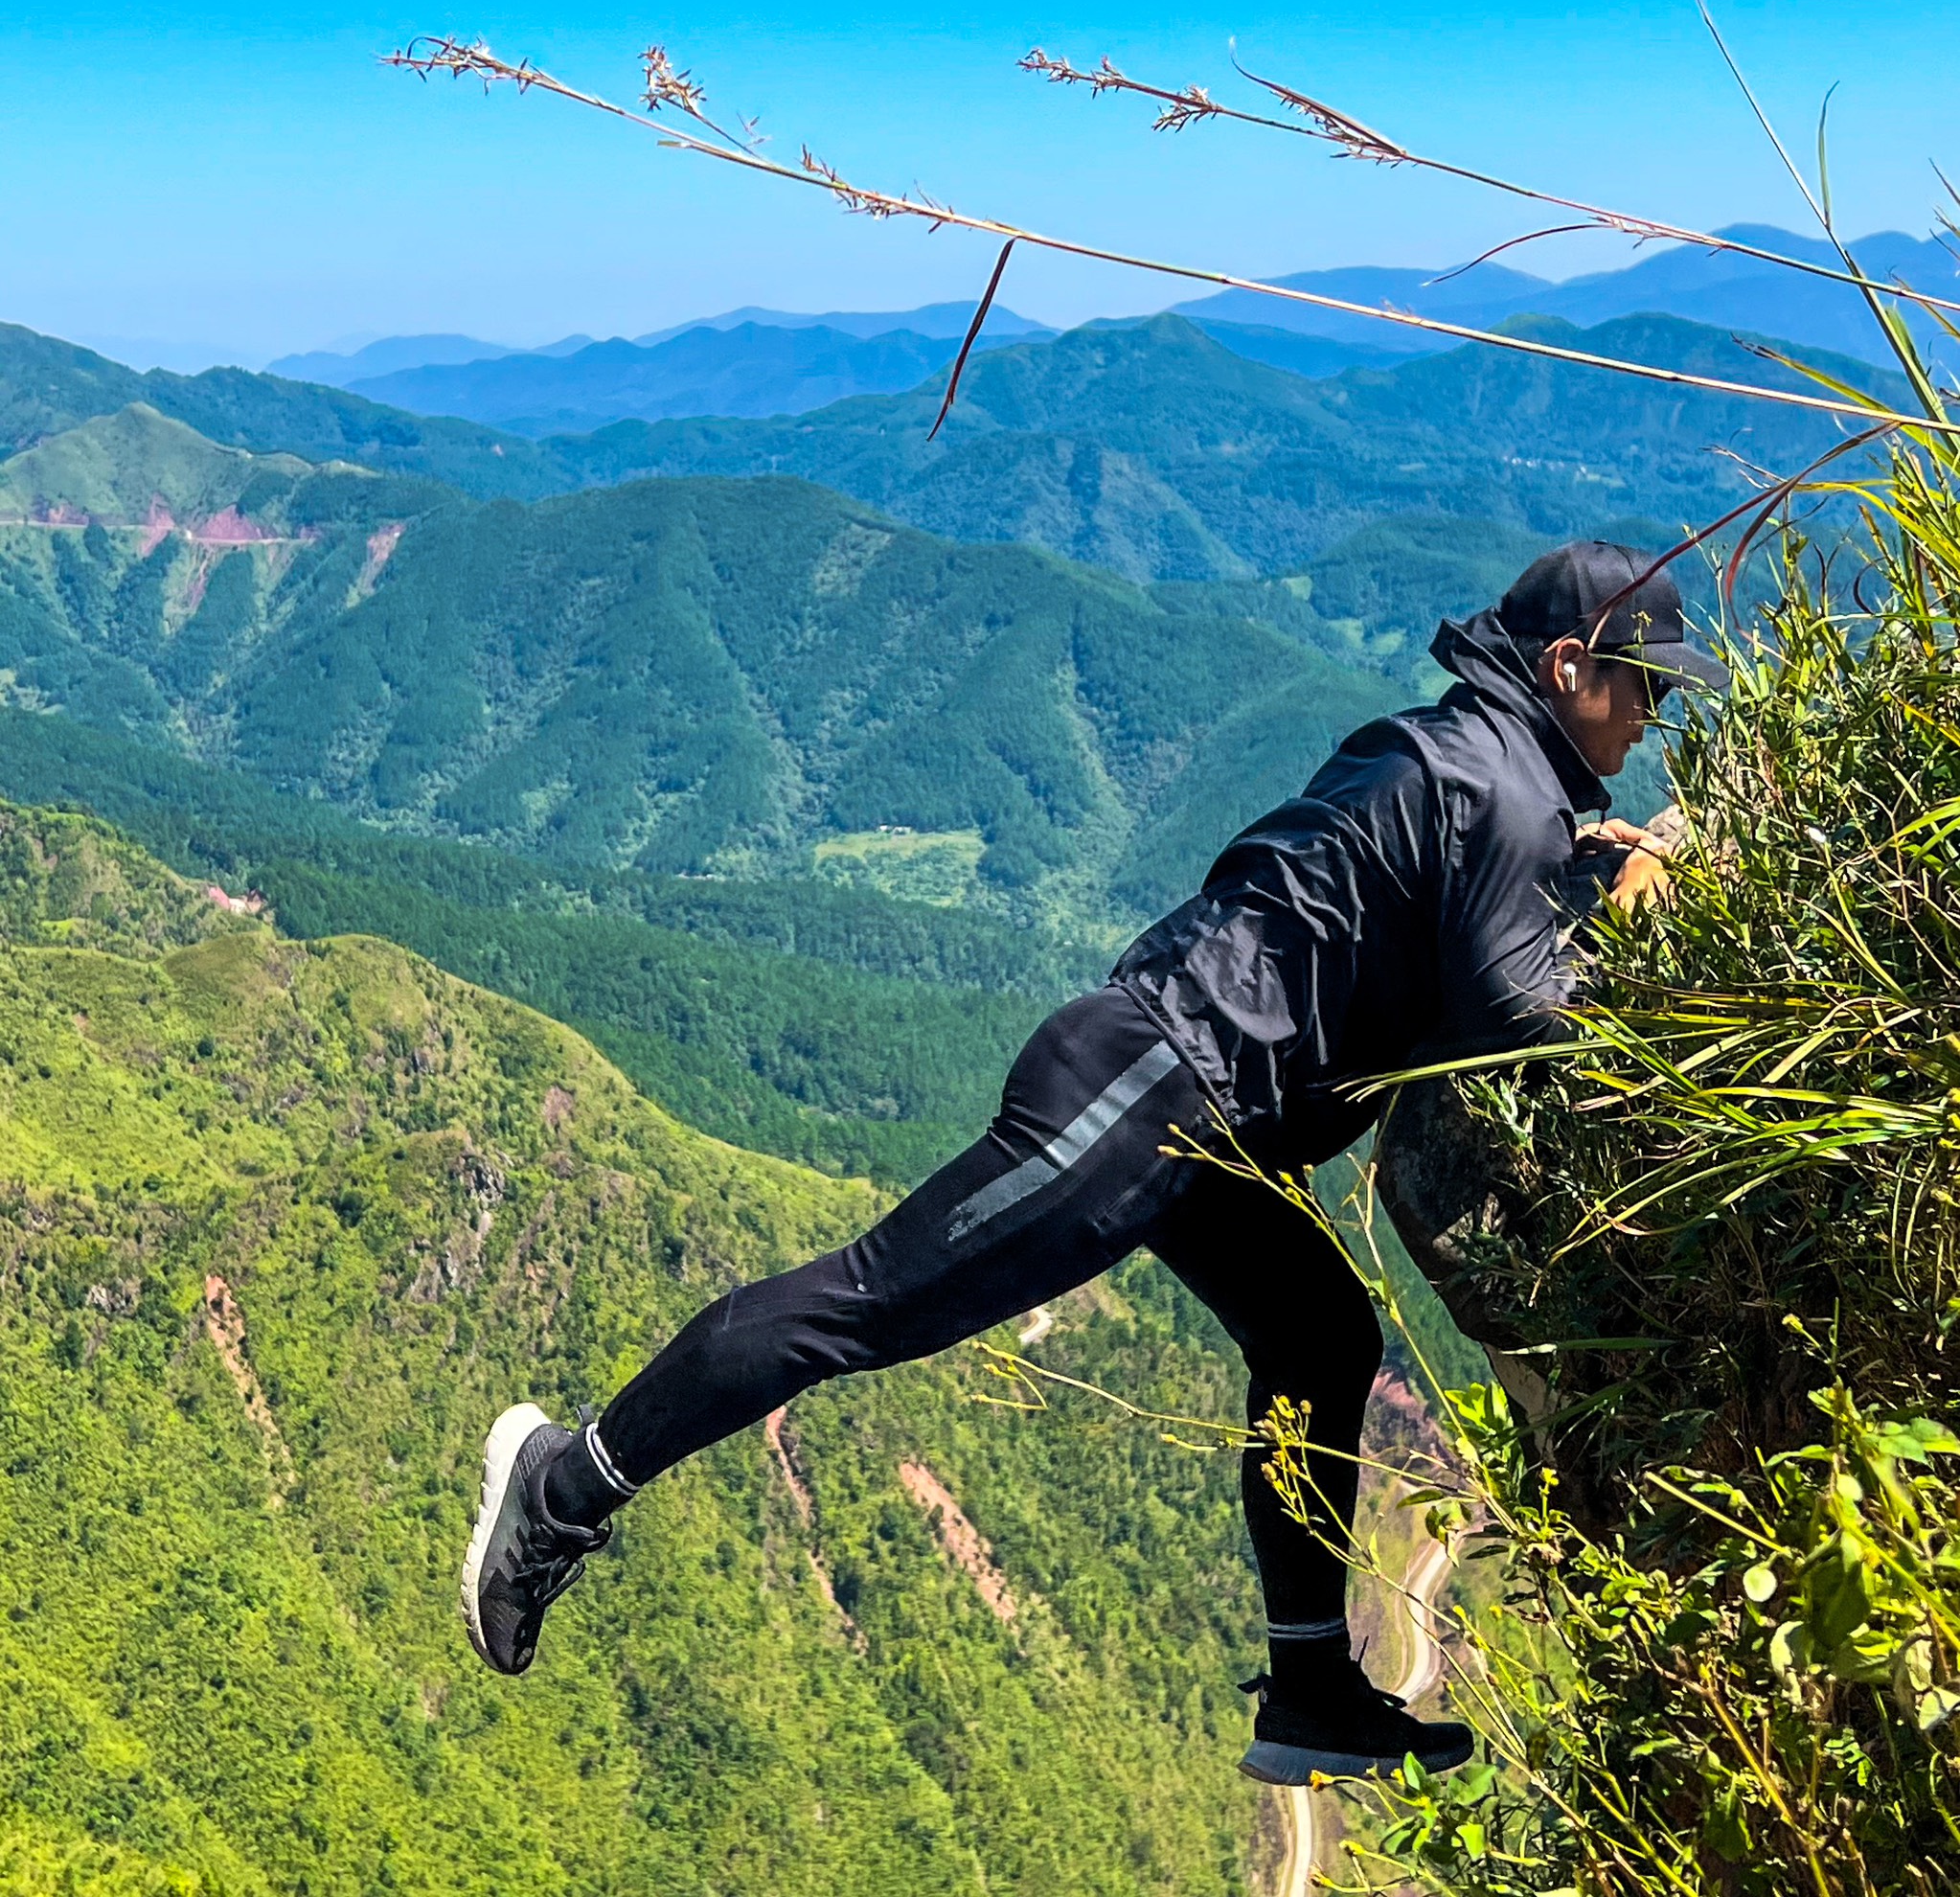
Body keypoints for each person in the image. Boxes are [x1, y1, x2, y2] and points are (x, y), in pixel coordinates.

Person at [459, 539, 1721, 1784]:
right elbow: (1522, 1019)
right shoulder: (1501, 791)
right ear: (1567, 666)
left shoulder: (1452, 749)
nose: (1652, 716)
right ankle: (561, 1485)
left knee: (1323, 1341)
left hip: (1194, 1111)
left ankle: (1310, 1695)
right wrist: (1653, 926)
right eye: (1644, 688)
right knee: (863, 1304)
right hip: (1144, 1093)